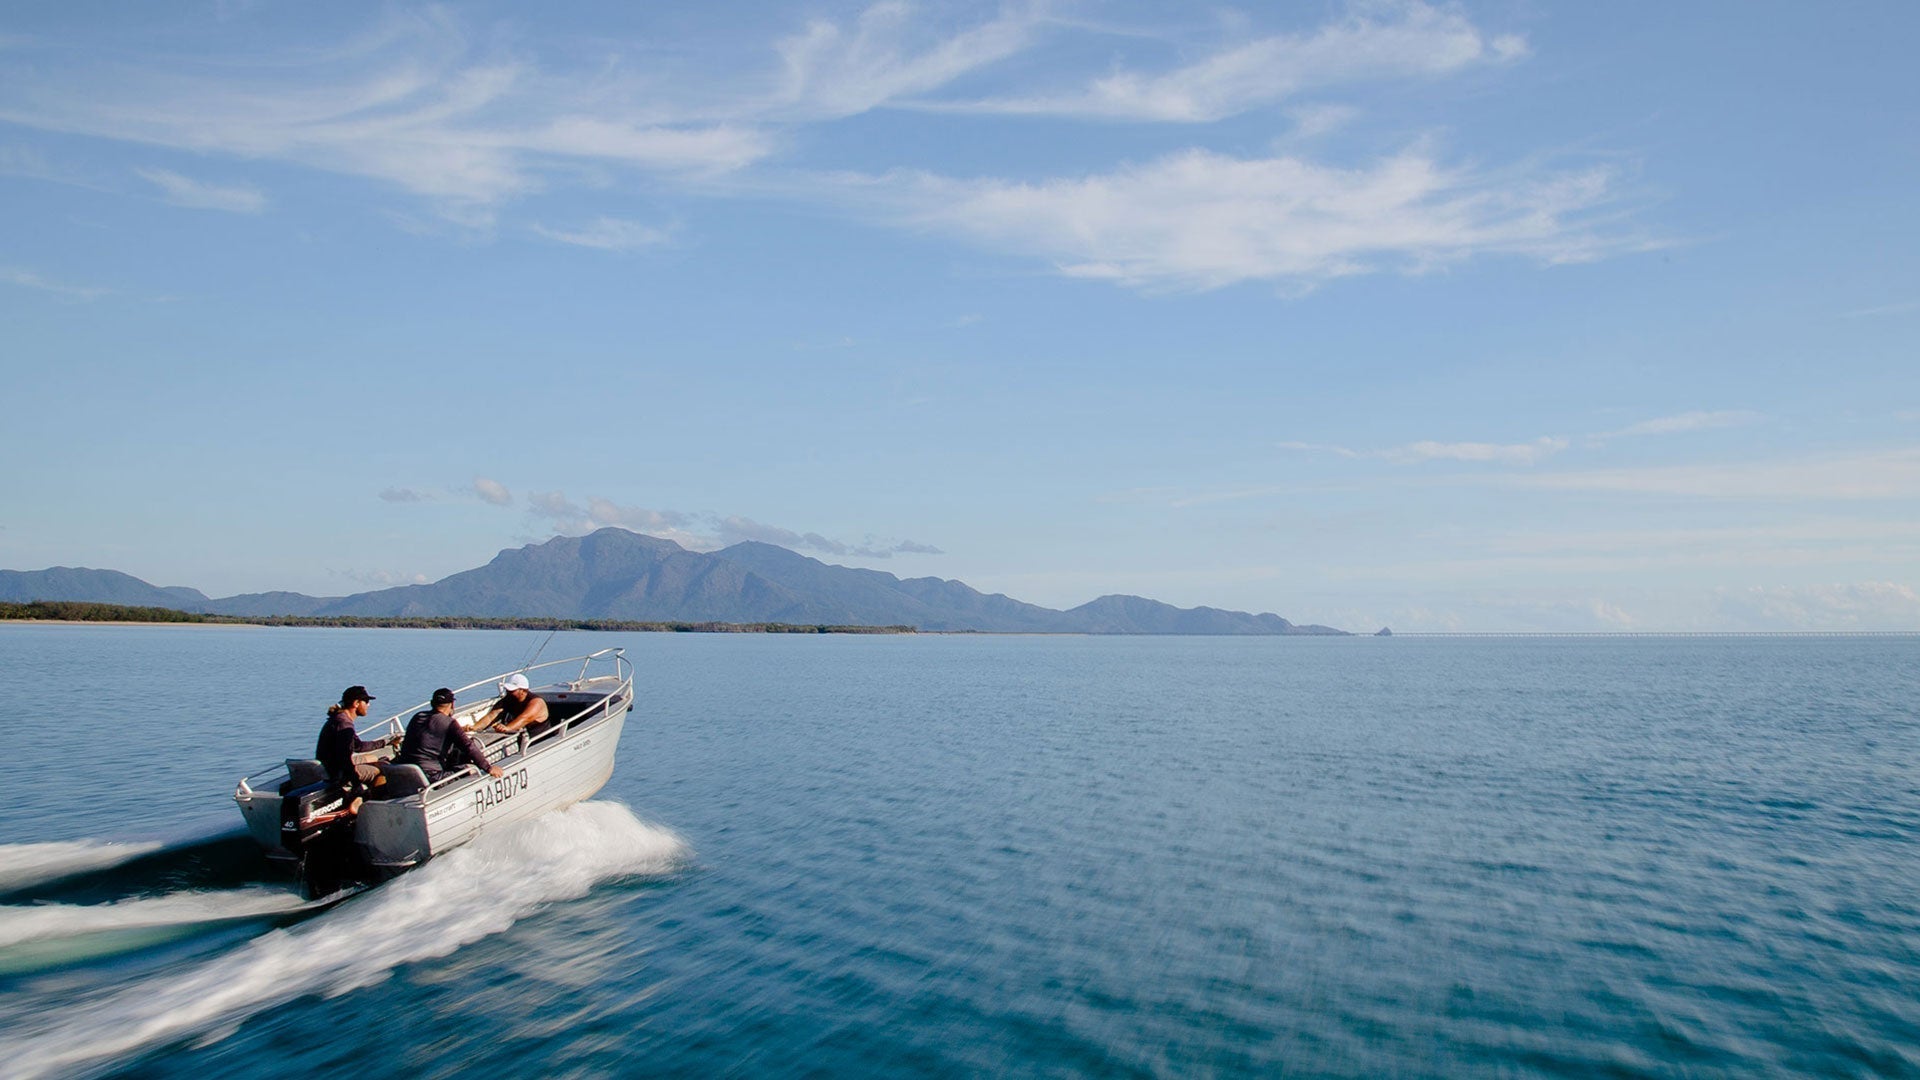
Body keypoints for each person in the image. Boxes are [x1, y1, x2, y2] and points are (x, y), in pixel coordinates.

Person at [397, 688, 505, 783]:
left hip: (406, 771)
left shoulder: (417, 716)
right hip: (431, 776)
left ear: (431, 703)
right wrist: (488, 768)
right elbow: (468, 746)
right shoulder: (449, 723)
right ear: (452, 704)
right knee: (471, 769)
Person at [315, 685, 392, 810]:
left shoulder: (339, 719)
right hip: (336, 770)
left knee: (375, 760)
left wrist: (384, 743)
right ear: (356, 703)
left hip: (330, 764)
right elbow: (344, 759)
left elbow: (357, 746)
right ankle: (370, 806)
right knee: (383, 770)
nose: (368, 705)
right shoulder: (344, 725)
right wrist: (357, 785)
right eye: (366, 702)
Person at [477, 672, 550, 735]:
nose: (508, 692)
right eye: (507, 689)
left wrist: (507, 728)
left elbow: (524, 718)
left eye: (512, 690)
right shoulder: (508, 699)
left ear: (523, 691)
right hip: (521, 734)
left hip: (539, 736)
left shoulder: (536, 702)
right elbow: (491, 716)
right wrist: (474, 727)